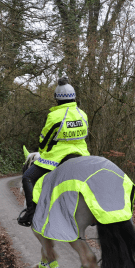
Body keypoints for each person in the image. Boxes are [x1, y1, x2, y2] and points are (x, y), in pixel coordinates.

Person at [17, 76, 90, 227]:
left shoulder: (54, 116)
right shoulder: (83, 114)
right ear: (73, 97)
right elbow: (84, 135)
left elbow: (44, 141)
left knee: (27, 177)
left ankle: (31, 213)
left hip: (58, 156)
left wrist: (43, 153)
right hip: (83, 155)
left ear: (57, 99)